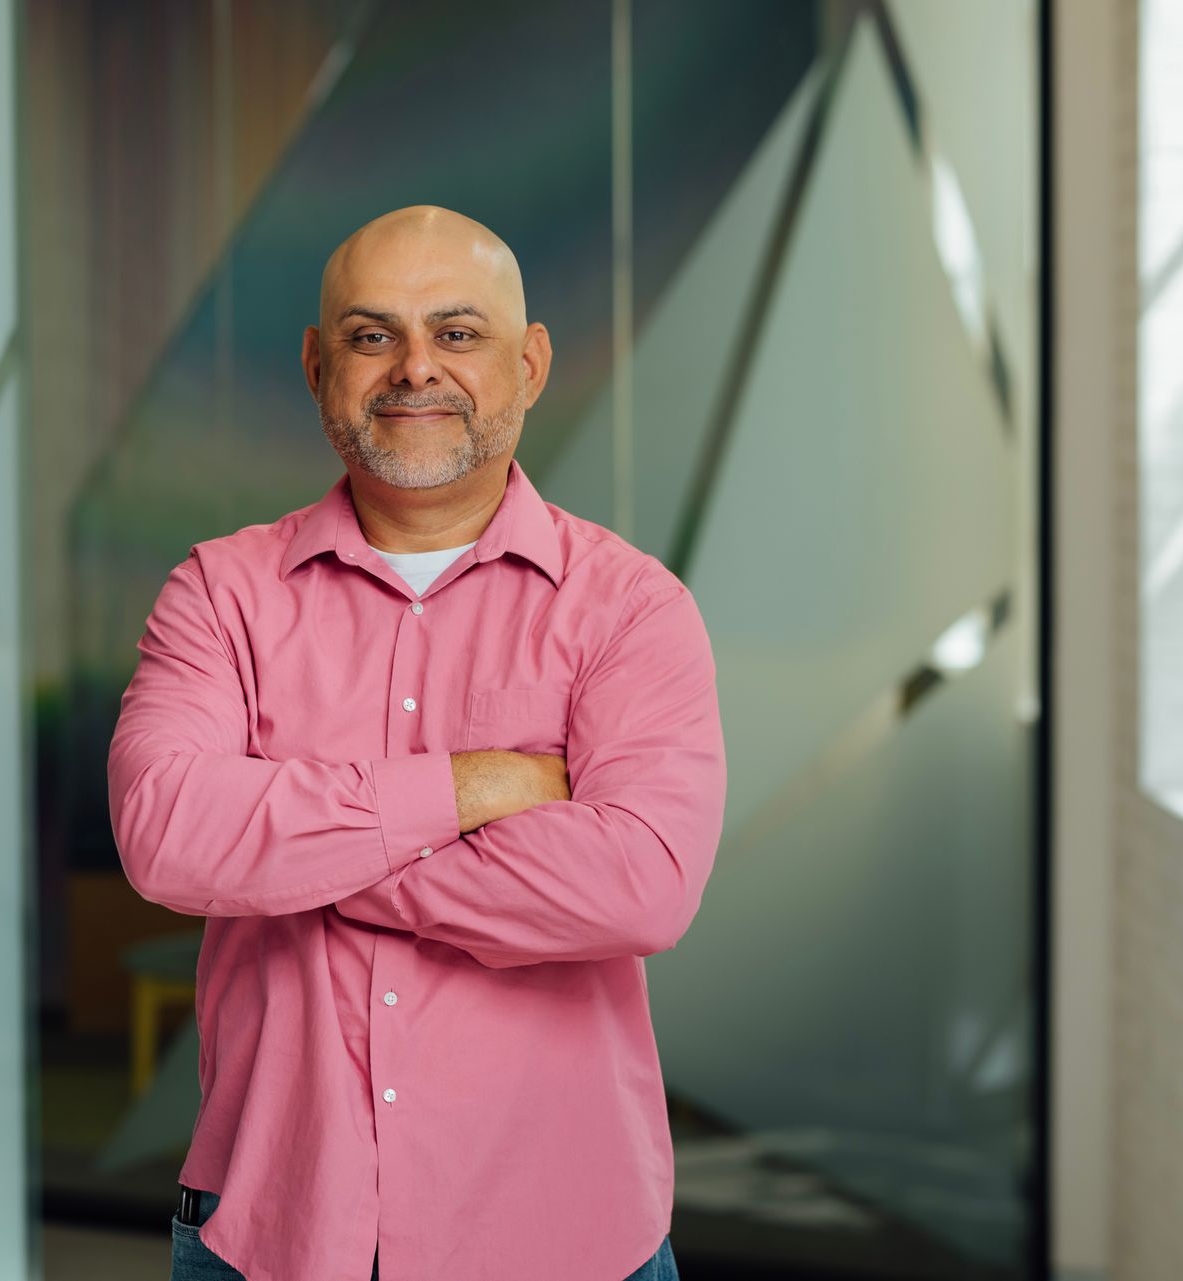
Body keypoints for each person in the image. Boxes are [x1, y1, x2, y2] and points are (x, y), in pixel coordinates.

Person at [107, 204, 725, 1281]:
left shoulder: (631, 610)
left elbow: (642, 886)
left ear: (529, 365)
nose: (414, 369)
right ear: (316, 366)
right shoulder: (220, 594)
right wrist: (472, 788)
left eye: (458, 332)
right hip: (271, 1230)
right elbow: (167, 839)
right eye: (370, 334)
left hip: (564, 1238)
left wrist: (290, 853)